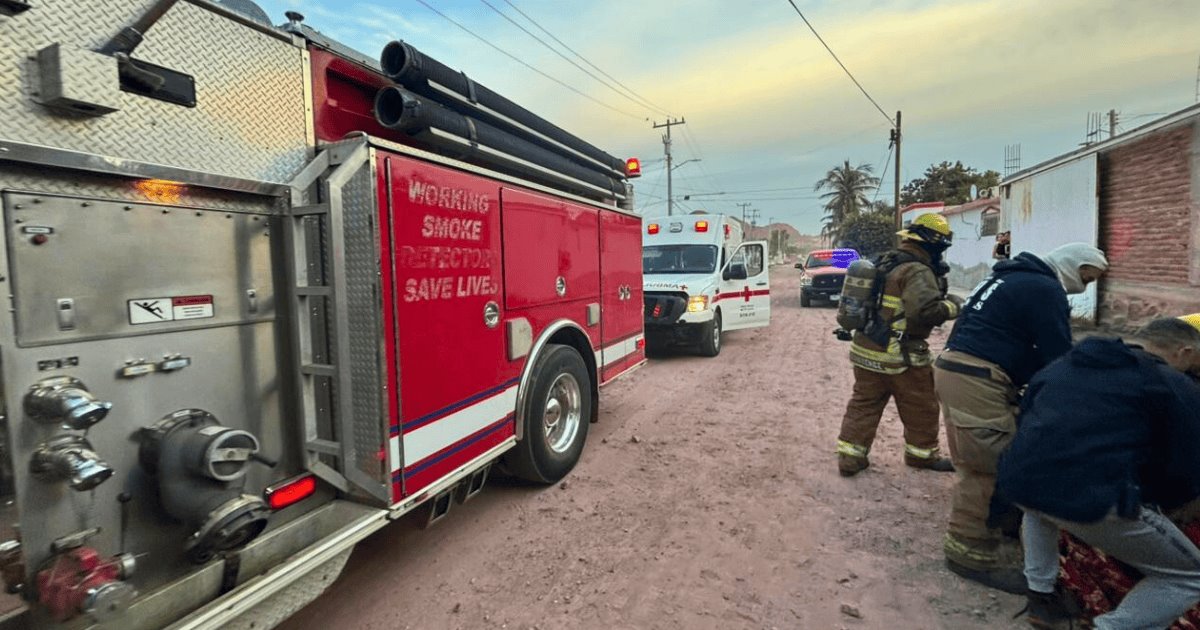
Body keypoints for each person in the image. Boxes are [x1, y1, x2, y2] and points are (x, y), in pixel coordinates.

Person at [996, 318, 1200, 630]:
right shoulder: (1170, 384)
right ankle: (1111, 626)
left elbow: (1027, 418)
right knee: (1190, 576)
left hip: (1019, 480)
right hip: (1092, 500)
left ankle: (1040, 595)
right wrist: (1162, 503)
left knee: (1038, 509)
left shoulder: (1064, 365)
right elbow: (1184, 466)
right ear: (1185, 351)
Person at [935, 242, 1108, 593]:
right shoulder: (1044, 288)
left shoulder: (1009, 278)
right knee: (986, 465)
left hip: (960, 371)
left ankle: (1005, 524)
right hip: (979, 379)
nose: (1085, 286)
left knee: (1003, 451)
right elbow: (1056, 352)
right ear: (1075, 265)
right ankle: (968, 554)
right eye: (1086, 278)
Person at [836, 213, 963, 477]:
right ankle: (922, 455)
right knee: (921, 405)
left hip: (865, 349)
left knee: (864, 403)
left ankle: (850, 457)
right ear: (933, 244)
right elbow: (924, 312)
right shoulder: (917, 270)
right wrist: (953, 306)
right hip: (899, 356)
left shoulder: (885, 262)